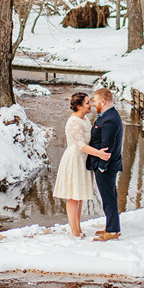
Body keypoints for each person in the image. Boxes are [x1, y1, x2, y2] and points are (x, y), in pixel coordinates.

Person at [53, 92, 110, 238]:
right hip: (74, 159)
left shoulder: (84, 118)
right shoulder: (74, 122)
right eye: (87, 103)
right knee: (73, 196)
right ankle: (73, 229)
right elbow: (80, 145)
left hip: (83, 159)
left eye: (90, 102)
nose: (91, 105)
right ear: (79, 106)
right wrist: (99, 154)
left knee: (78, 195)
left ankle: (78, 226)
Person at [85, 87, 123, 241]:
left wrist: (101, 167)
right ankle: (111, 226)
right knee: (109, 196)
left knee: (108, 198)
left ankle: (112, 231)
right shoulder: (108, 115)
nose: (93, 104)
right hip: (107, 165)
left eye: (95, 101)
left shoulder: (110, 120)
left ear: (102, 101)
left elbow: (107, 147)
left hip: (106, 167)